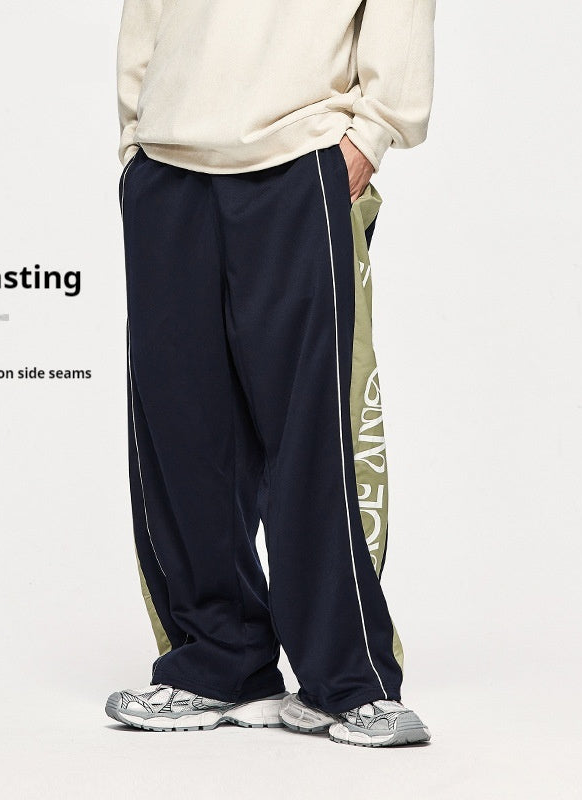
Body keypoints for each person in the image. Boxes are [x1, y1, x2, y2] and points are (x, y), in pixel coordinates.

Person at [105, 0, 436, 747]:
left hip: (301, 160)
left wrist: (370, 136)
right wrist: (135, 141)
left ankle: (349, 681)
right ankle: (219, 664)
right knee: (181, 432)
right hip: (167, 168)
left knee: (314, 429)